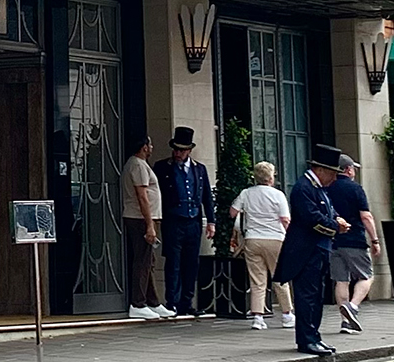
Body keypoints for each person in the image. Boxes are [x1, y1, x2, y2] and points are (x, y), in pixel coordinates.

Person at [274, 144, 348, 356]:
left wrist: (337, 219)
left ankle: (314, 336)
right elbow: (312, 220)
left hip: (319, 251)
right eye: (333, 173)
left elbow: (328, 212)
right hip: (306, 253)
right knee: (307, 298)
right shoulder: (303, 188)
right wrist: (336, 227)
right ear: (321, 170)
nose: (334, 179)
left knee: (316, 298)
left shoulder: (318, 190)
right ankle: (306, 340)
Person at [152, 127, 215, 318]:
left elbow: (207, 197)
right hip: (173, 221)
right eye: (176, 149)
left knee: (191, 264)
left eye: (182, 150)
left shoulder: (199, 169)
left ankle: (187, 303)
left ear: (189, 150)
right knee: (173, 263)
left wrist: (211, 221)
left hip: (193, 222)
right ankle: (172, 302)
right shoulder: (163, 167)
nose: (178, 153)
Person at [230, 161, 293, 331]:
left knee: (257, 280)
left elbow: (232, 212)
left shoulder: (246, 193)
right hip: (275, 239)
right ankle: (287, 315)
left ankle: (258, 317)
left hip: (253, 239)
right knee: (280, 277)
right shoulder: (278, 195)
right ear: (271, 177)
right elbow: (285, 219)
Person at [121, 137, 174, 319]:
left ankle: (153, 301)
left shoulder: (140, 164)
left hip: (143, 218)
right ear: (144, 147)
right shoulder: (138, 165)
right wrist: (149, 224)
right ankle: (138, 303)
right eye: (150, 144)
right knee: (142, 261)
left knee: (148, 260)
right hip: (140, 218)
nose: (152, 147)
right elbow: (142, 196)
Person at [328, 155, 380, 334]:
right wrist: (375, 240)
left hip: (333, 241)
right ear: (348, 169)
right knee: (367, 276)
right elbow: (366, 216)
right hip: (355, 240)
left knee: (341, 280)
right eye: (354, 169)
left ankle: (345, 322)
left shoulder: (328, 188)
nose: (355, 172)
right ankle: (353, 306)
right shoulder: (355, 189)